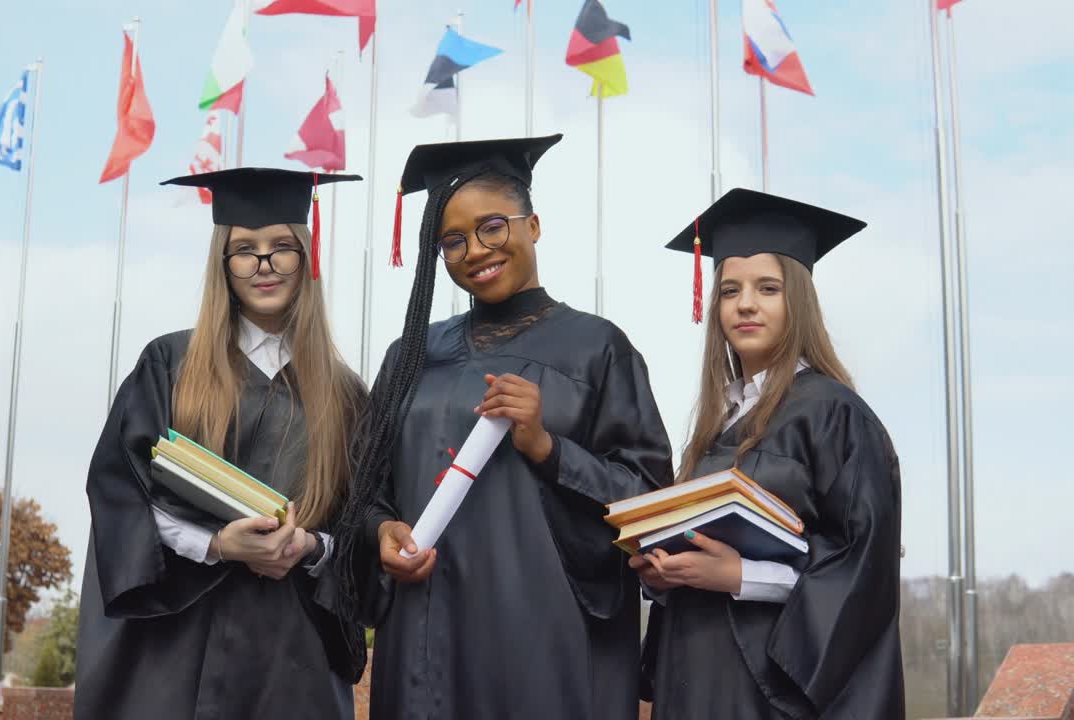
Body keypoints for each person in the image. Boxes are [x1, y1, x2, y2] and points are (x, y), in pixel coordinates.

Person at [333, 135, 674, 719]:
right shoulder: (412, 353)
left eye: (493, 226)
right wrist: (382, 531)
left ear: (533, 225)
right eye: (453, 240)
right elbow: (362, 492)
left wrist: (548, 448)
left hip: (543, 649)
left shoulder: (597, 349)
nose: (475, 250)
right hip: (425, 641)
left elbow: (650, 501)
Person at [74, 168, 368, 720]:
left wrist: (309, 547)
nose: (264, 264)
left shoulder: (346, 395)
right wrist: (218, 544)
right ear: (222, 264)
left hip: (292, 652)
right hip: (177, 645)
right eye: (244, 250)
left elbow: (359, 528)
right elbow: (121, 495)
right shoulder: (171, 365)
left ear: (307, 258)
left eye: (282, 247)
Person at [638, 188, 905, 718]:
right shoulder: (716, 425)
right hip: (695, 670)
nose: (744, 304)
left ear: (798, 302)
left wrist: (741, 577)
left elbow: (862, 571)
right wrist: (665, 571)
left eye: (768, 288)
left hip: (769, 686)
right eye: (729, 289)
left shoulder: (833, 413)